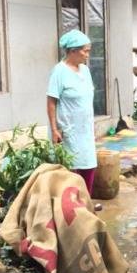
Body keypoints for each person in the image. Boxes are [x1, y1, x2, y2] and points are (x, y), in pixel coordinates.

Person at [47, 29, 96, 195]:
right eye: (85, 51)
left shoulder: (85, 71)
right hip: (67, 130)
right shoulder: (59, 71)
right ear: (73, 50)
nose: (87, 55)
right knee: (70, 170)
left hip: (85, 129)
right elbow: (51, 101)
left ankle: (85, 204)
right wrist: (54, 129)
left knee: (89, 165)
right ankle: (70, 208)